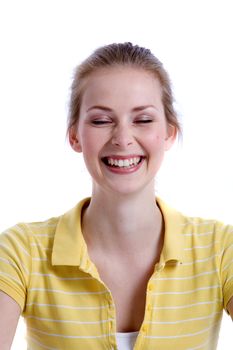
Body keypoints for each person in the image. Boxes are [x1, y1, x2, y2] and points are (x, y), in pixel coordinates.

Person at [0, 42, 233, 350]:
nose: (123, 139)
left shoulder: (220, 248)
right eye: (101, 120)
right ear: (75, 136)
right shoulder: (21, 251)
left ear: (169, 133)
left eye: (143, 119)